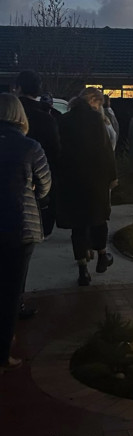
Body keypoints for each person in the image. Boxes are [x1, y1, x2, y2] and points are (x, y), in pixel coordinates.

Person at [0, 93, 51, 373]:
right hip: (19, 225)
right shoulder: (30, 147)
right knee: (11, 291)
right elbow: (45, 186)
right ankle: (3, 353)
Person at [56, 87, 118, 286]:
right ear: (93, 101)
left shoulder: (64, 120)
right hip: (96, 179)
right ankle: (102, 255)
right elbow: (106, 151)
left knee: (78, 226)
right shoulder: (95, 120)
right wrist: (112, 176)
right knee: (99, 218)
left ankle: (82, 269)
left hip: (72, 180)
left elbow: (59, 151)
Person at [16, 71, 60, 240]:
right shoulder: (48, 119)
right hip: (41, 182)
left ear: (19, 88)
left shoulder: (12, 118)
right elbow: (55, 153)